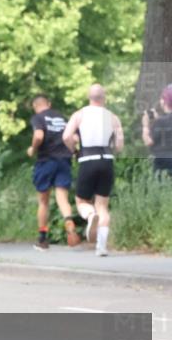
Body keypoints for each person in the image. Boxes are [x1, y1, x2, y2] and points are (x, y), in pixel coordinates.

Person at [63, 84, 125, 257]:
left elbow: (66, 136)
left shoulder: (79, 114)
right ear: (103, 97)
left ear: (89, 97)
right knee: (103, 205)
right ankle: (102, 247)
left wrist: (75, 150)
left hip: (87, 160)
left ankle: (90, 216)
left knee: (81, 200)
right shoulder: (112, 117)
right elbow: (119, 145)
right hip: (106, 161)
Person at [27, 95, 81, 250]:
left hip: (46, 161)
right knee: (62, 198)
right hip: (64, 161)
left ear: (35, 106)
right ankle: (68, 221)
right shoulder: (62, 118)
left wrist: (33, 148)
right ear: (49, 104)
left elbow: (38, 135)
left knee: (43, 201)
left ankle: (43, 239)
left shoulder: (38, 118)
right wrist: (74, 152)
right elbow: (74, 137)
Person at [142, 84, 172, 178]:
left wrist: (145, 125)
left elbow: (148, 141)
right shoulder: (161, 121)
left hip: (163, 165)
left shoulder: (161, 121)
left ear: (163, 102)